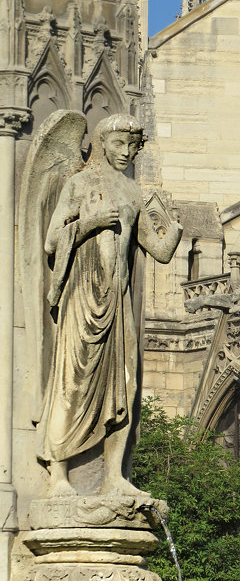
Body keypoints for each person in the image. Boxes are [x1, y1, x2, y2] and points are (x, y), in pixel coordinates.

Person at [37, 114, 182, 496]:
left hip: (118, 303)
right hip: (82, 297)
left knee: (126, 385)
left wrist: (176, 229)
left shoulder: (134, 192)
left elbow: (160, 252)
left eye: (133, 147)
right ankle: (58, 477)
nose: (126, 152)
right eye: (120, 144)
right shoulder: (78, 184)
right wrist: (92, 223)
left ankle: (115, 476)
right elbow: (52, 242)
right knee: (73, 383)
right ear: (103, 143)